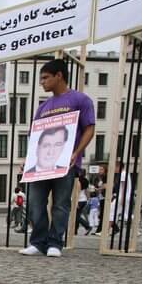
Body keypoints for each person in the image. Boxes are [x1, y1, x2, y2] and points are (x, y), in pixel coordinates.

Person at [19, 59, 95, 257]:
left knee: (61, 203)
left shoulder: (80, 100)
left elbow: (89, 128)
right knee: (35, 203)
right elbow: (34, 137)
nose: (42, 82)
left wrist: (76, 152)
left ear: (59, 76)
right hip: (40, 164)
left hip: (65, 163)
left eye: (45, 77)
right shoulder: (43, 107)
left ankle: (55, 243)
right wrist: (29, 160)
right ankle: (38, 241)